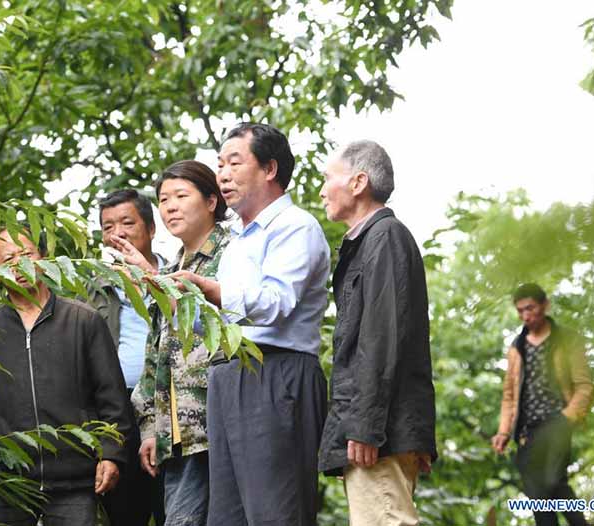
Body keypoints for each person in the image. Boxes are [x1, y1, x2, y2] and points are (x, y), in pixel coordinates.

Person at [170, 123, 331, 526]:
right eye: (219, 164)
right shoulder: (237, 238)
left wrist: (211, 290)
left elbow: (278, 303)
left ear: (270, 169)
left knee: (276, 513)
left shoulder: (296, 226)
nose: (222, 174)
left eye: (234, 162)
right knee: (227, 516)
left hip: (276, 374)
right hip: (227, 377)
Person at [0, 227, 133, 526]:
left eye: (27, 254)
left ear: (44, 258)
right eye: (9, 258)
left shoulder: (83, 320)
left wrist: (111, 454)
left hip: (76, 480)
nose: (19, 264)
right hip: (9, 485)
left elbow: (112, 397)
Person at [316, 140, 437, 526]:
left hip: (379, 433)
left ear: (358, 182)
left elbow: (380, 337)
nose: (321, 190)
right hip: (378, 428)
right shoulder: (370, 242)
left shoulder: (385, 237)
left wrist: (366, 426)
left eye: (327, 178)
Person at [128, 160, 231, 526]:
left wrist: (152, 280)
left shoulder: (234, 253)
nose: (170, 206)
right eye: (163, 199)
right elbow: (156, 356)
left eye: (181, 196)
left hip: (221, 424)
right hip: (180, 436)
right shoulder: (172, 266)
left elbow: (228, 327)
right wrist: (152, 427)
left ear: (211, 201)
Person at [91, 189, 166, 526]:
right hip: (116, 413)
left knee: (177, 506)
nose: (117, 233)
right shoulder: (92, 289)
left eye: (126, 223)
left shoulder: (178, 275)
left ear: (150, 228)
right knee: (123, 513)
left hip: (169, 406)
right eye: (108, 227)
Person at [491, 283, 592, 526]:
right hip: (527, 432)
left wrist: (568, 417)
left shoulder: (568, 340)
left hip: (558, 422)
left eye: (530, 308)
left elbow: (584, 385)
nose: (525, 315)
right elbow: (508, 395)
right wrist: (504, 431)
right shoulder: (517, 348)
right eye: (520, 311)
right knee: (537, 496)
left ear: (544, 305)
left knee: (553, 481)